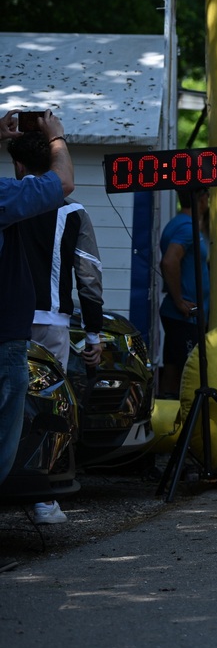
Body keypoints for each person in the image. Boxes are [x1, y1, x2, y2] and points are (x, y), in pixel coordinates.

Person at [9, 131, 104, 525]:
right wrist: (94, 334)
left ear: (17, 166)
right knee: (48, 411)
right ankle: (41, 499)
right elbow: (89, 275)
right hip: (51, 325)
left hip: (8, 321)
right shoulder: (72, 211)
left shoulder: (6, 201)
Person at [0, 110, 75, 570]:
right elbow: (62, 183)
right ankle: (44, 499)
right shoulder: (25, 198)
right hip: (16, 330)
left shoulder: (11, 194)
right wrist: (57, 137)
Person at [158, 187, 209, 399]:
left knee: (174, 368)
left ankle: (169, 419)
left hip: (181, 315)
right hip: (185, 314)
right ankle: (186, 423)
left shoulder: (177, 223)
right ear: (202, 198)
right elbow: (169, 262)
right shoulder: (187, 228)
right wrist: (180, 301)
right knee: (189, 374)